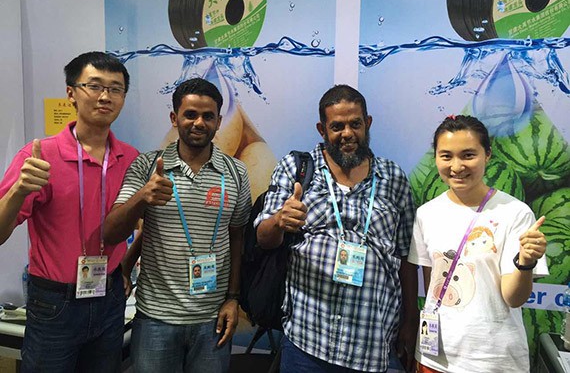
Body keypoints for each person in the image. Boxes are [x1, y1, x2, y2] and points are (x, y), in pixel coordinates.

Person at [255, 84, 418, 372]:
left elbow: (406, 257)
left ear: (367, 123)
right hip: (306, 339)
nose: (347, 133)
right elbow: (263, 238)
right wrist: (279, 220)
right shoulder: (297, 168)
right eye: (337, 126)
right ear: (322, 130)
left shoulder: (393, 178)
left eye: (355, 124)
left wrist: (410, 320)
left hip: (370, 345)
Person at [0, 51, 139, 372]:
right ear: (71, 93)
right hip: (55, 302)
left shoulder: (130, 158)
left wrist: (126, 267)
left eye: (115, 89)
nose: (105, 96)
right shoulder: (39, 156)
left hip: (110, 297)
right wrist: (19, 190)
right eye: (94, 85)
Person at [103, 77, 252, 373]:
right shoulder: (147, 166)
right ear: (174, 118)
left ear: (219, 122)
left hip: (212, 319)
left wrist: (233, 299)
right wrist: (143, 196)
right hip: (156, 319)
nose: (199, 123)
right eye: (190, 114)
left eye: (208, 116)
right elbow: (111, 232)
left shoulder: (236, 172)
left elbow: (237, 239)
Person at [408, 115, 548, 373]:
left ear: (488, 155)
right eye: (446, 156)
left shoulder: (515, 213)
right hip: (434, 357)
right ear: (436, 157)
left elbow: (514, 298)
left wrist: (525, 262)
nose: (457, 166)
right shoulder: (426, 214)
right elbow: (433, 288)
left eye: (468, 155)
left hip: (492, 360)